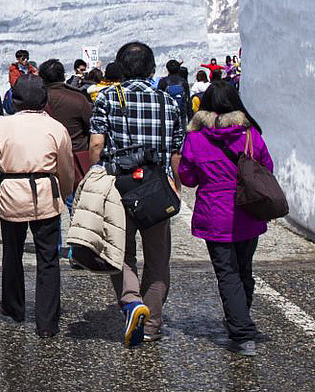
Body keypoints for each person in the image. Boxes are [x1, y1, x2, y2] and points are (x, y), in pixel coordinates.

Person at [87, 41, 184, 346]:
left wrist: (98, 173)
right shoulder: (168, 101)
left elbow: (96, 146)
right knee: (157, 259)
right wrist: (175, 185)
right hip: (157, 185)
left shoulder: (107, 98)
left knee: (121, 252)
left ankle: (131, 303)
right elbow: (176, 153)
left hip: (119, 185)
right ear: (152, 69)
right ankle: (152, 324)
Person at [176, 79, 273, 357]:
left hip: (214, 213)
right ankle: (241, 318)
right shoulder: (251, 134)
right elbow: (267, 167)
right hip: (248, 210)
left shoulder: (195, 137)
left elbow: (188, 177)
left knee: (226, 272)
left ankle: (242, 333)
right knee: (244, 268)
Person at [0, 76, 75, 338]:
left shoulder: (4, 125)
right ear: (44, 100)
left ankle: (14, 307)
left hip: (12, 191)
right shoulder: (55, 127)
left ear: (14, 100)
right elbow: (66, 167)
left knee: (11, 253)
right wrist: (64, 191)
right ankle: (47, 321)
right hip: (45, 192)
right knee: (47, 257)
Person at [38, 58, 93, 190]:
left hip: (46, 158)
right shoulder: (78, 98)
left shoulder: (38, 99)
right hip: (76, 157)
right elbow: (90, 126)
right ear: (63, 76)